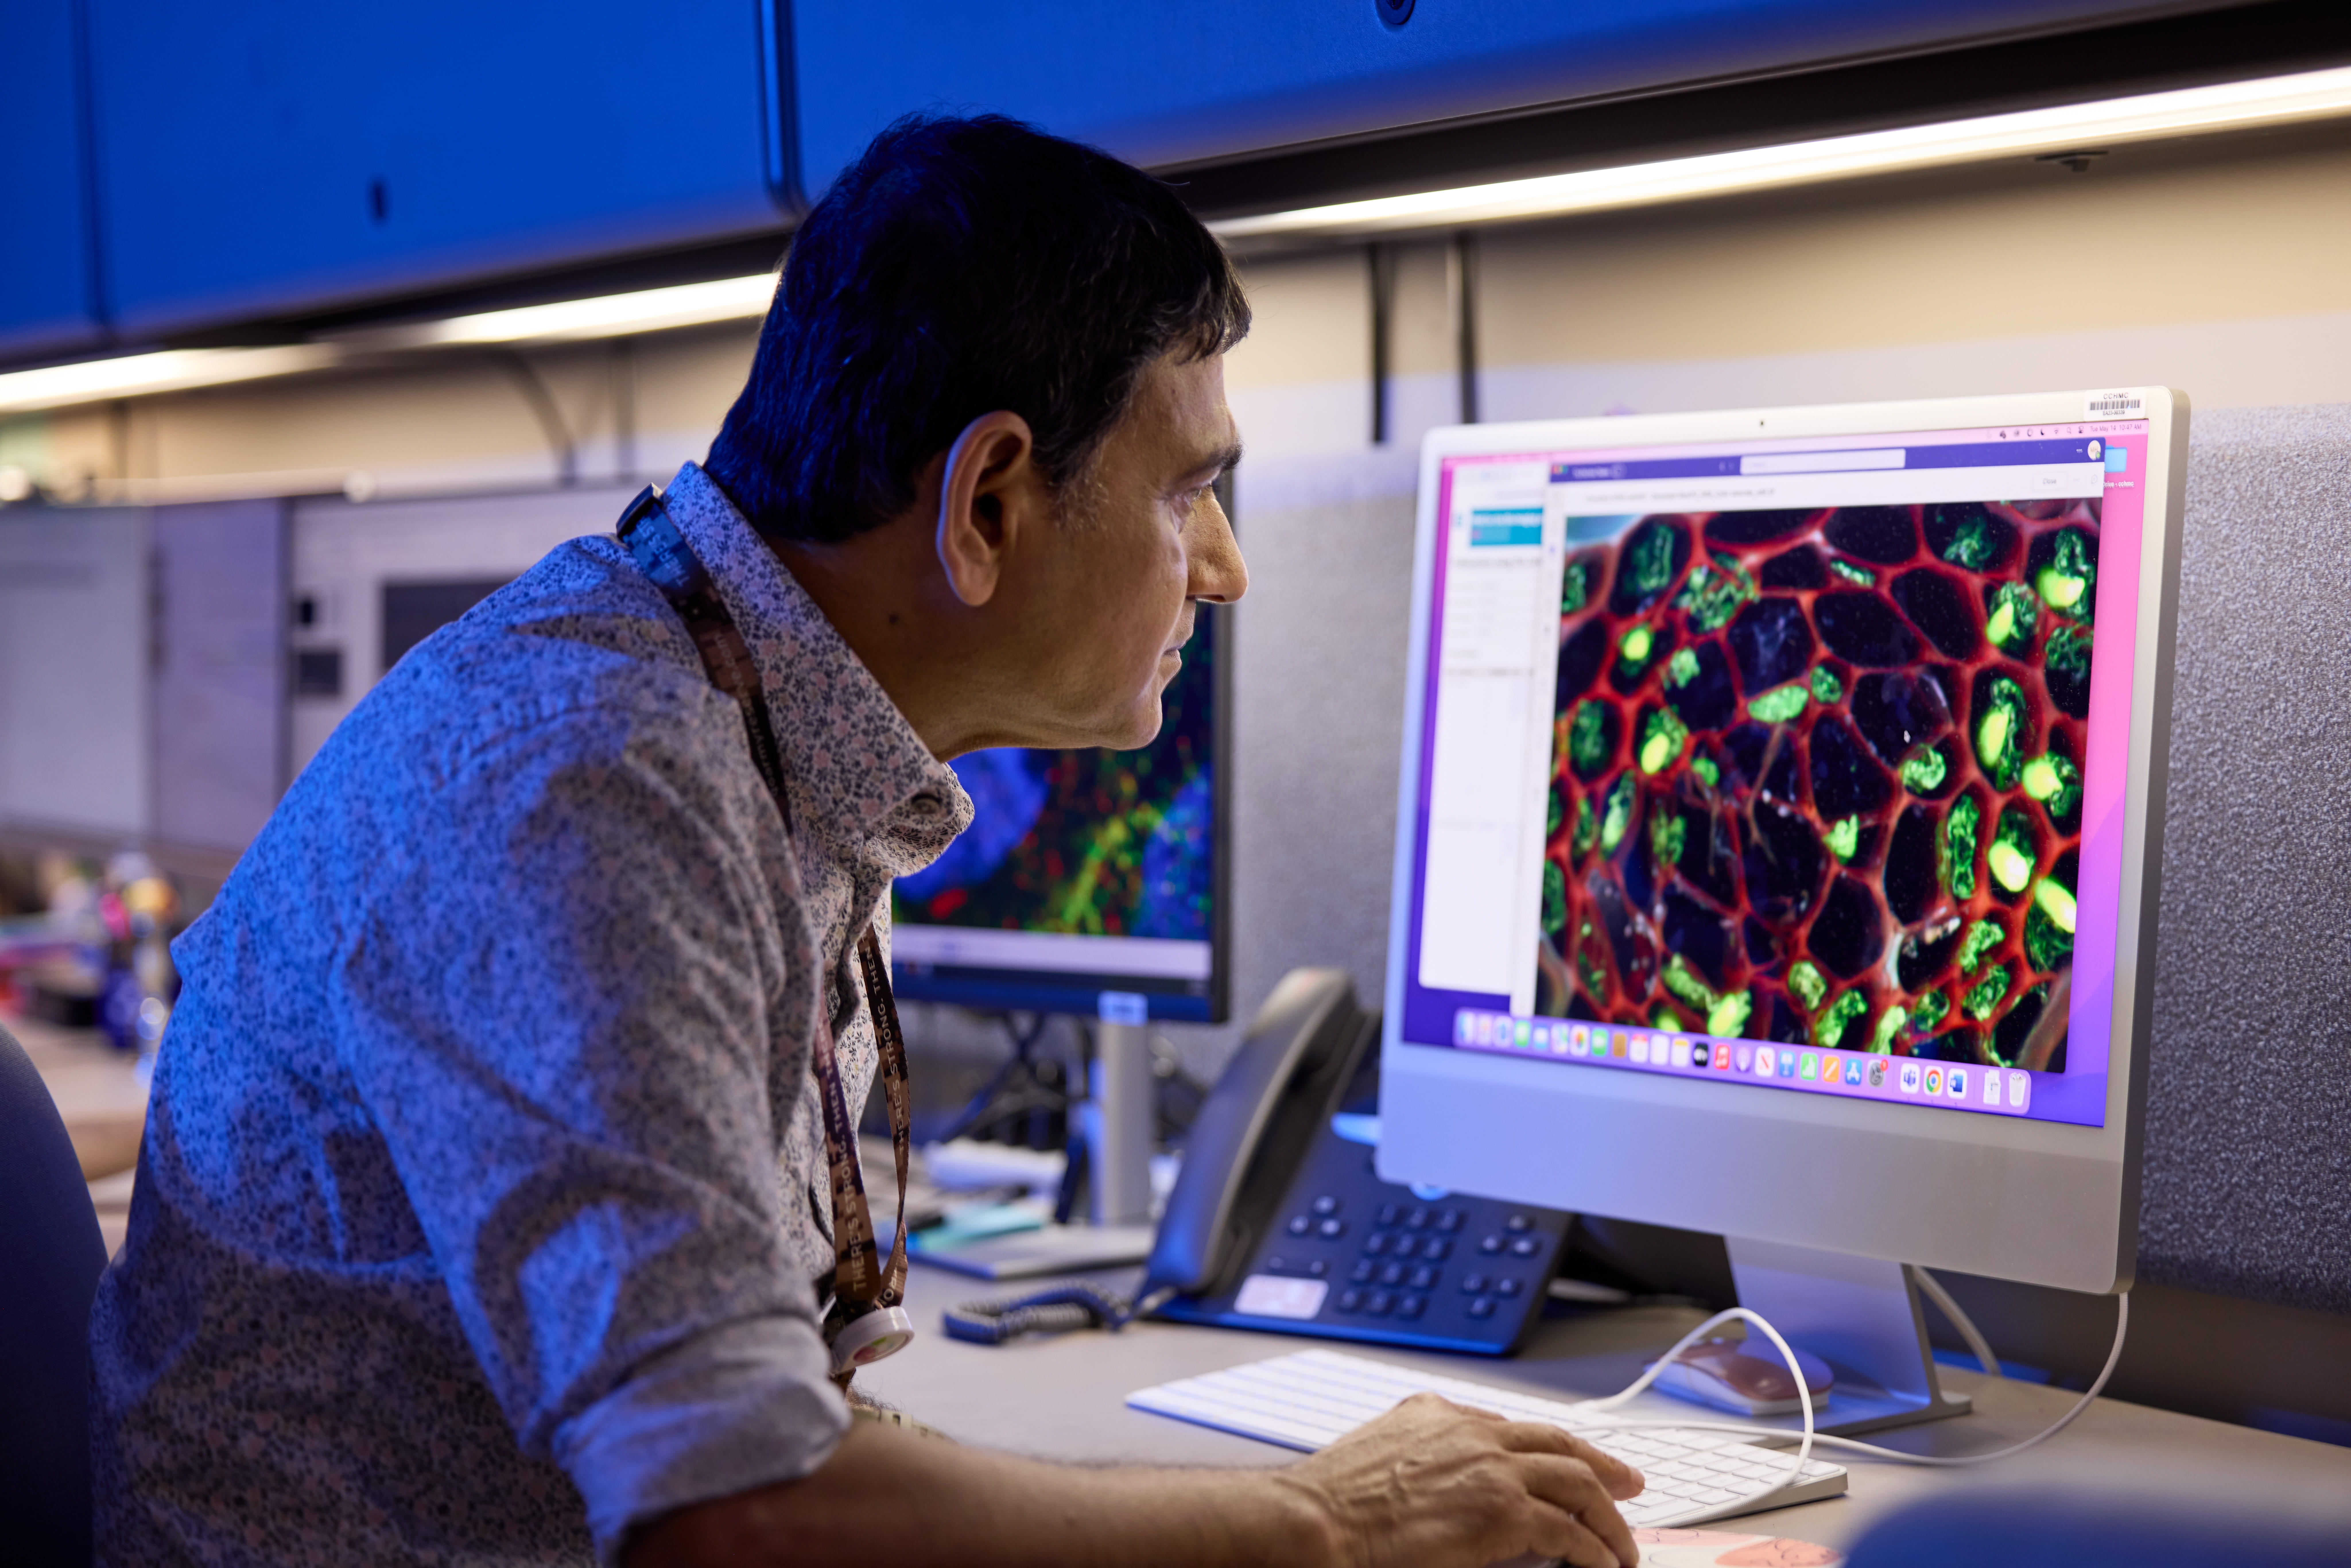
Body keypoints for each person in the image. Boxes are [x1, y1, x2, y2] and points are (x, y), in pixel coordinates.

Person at [89, 114, 1646, 1568]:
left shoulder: (747, 706)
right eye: (1192, 492)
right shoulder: (597, 786)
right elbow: (734, 1503)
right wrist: (1320, 1518)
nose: (1224, 570)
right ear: (984, 504)